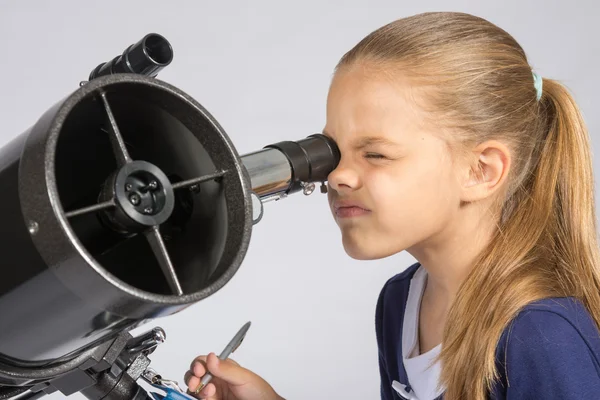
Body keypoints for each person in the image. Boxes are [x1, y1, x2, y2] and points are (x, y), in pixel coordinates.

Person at [184, 11, 600, 400]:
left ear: (481, 170)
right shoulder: (401, 302)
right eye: (332, 152)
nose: (336, 175)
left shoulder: (541, 335)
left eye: (376, 154)